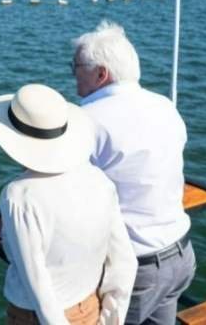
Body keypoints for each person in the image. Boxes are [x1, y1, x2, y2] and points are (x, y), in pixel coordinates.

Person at [0, 83, 137, 325]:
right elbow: (125, 261)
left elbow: (39, 288)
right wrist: (110, 318)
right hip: (90, 307)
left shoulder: (19, 195)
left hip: (34, 318)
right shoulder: (98, 179)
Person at [71, 21, 196, 325]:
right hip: (180, 254)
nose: (72, 73)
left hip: (134, 268)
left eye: (75, 66)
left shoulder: (86, 120)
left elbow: (69, 191)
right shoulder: (165, 107)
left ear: (101, 74)